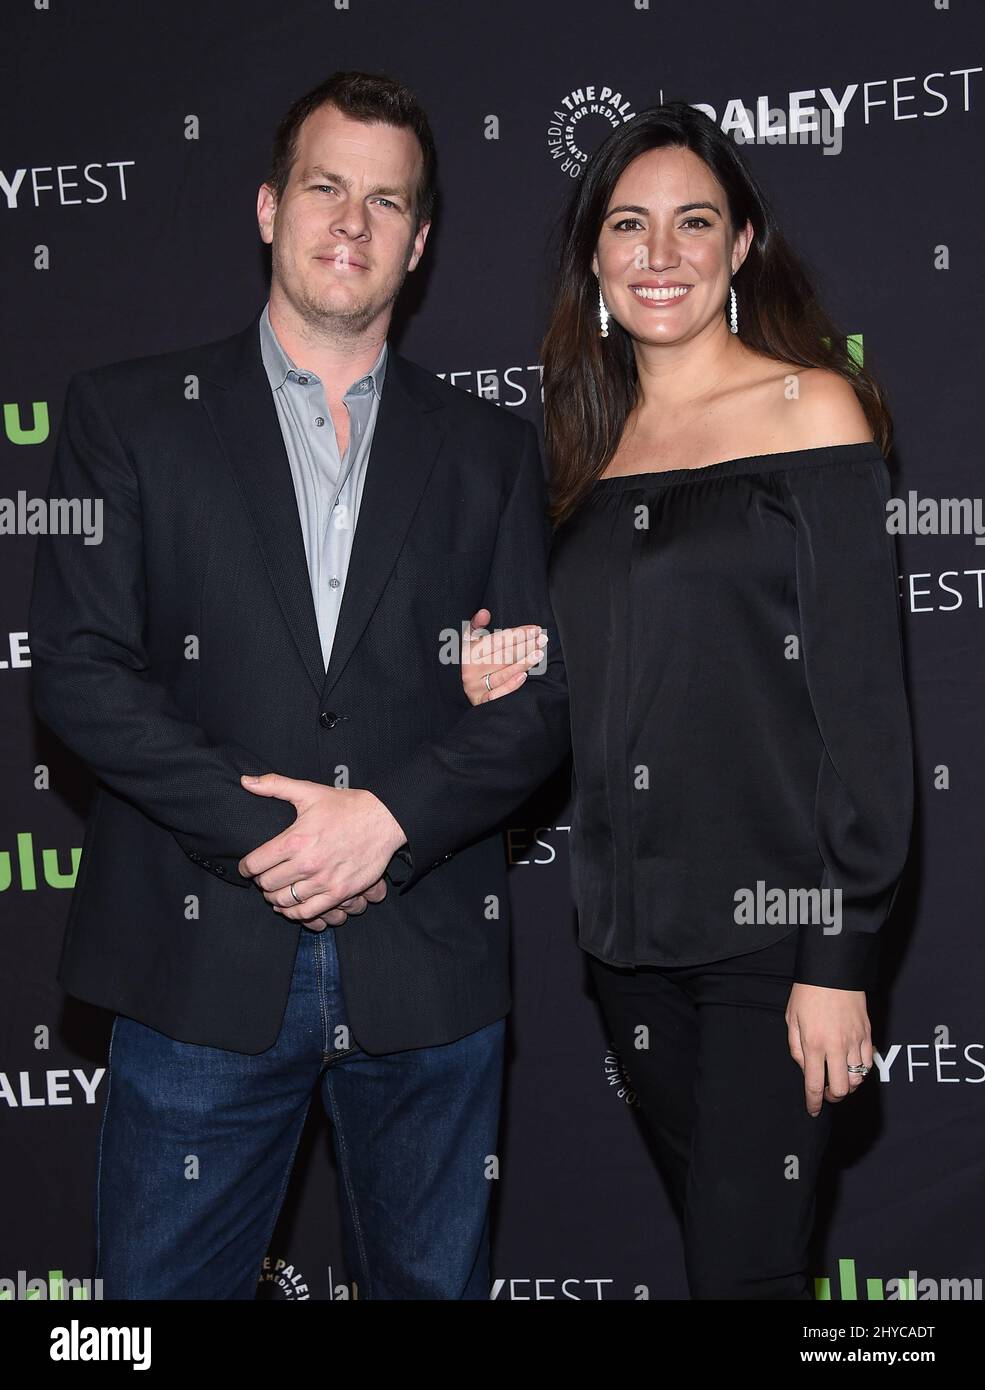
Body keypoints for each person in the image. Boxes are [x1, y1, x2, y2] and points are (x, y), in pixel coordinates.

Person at [28, 70, 568, 1300]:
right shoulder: (127, 417)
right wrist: (279, 835)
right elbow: (78, 667)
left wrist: (384, 821)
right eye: (326, 187)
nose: (351, 222)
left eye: (387, 202)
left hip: (428, 963)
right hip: (196, 956)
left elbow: (541, 699)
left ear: (419, 244)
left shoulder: (490, 452)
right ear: (269, 206)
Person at [461, 101, 914, 1299]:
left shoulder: (810, 408)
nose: (659, 253)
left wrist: (840, 953)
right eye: (628, 225)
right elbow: (616, 675)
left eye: (692, 222)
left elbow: (864, 709)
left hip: (778, 937)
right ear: (595, 258)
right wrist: (512, 662)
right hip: (624, 944)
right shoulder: (582, 447)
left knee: (741, 1274)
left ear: (741, 244)